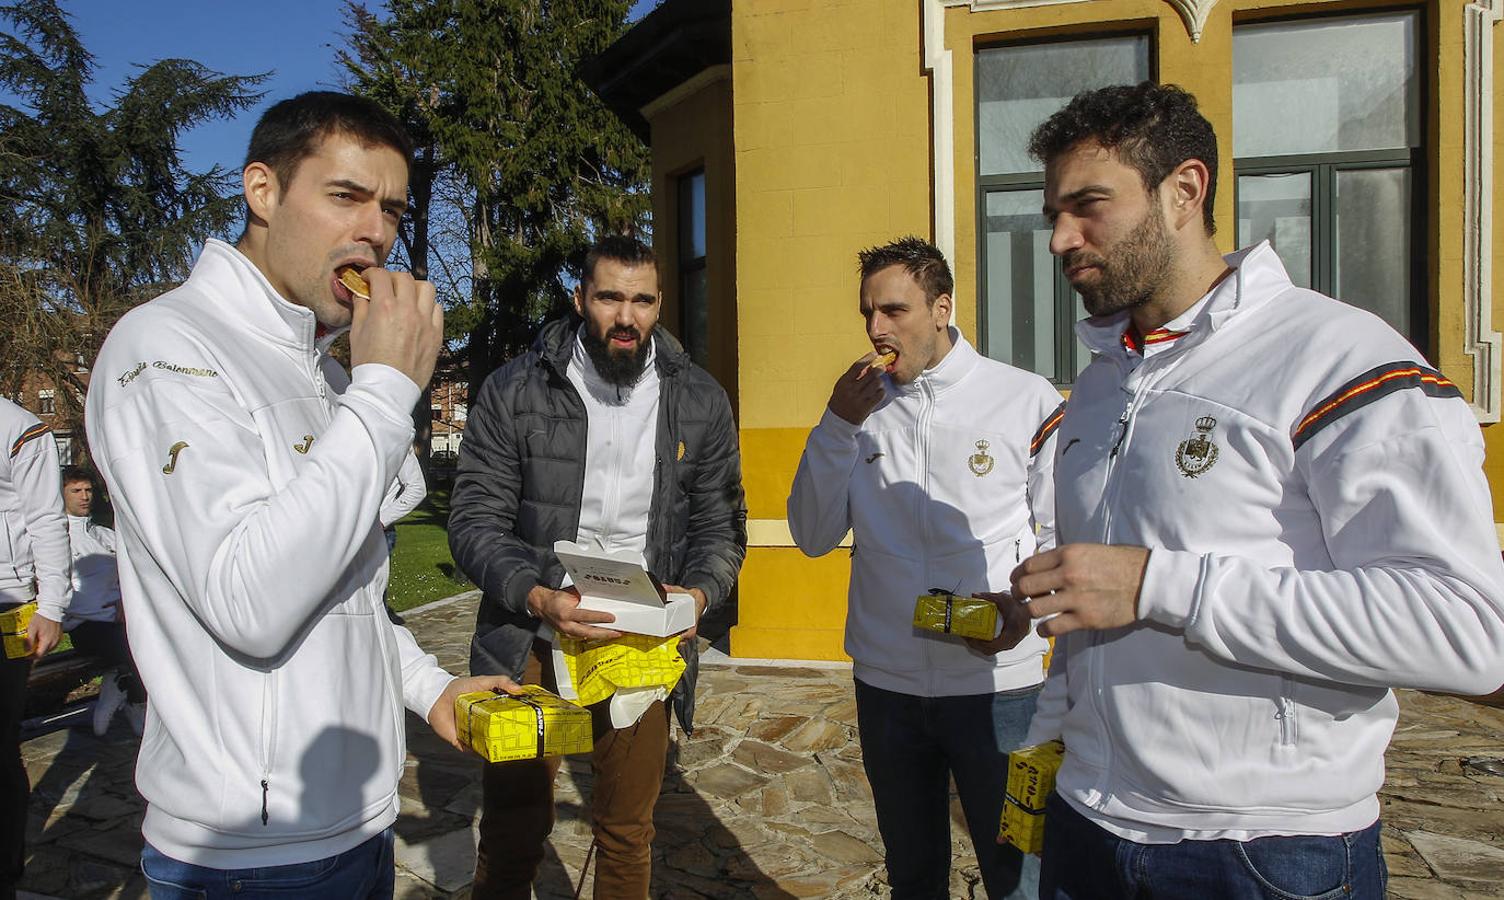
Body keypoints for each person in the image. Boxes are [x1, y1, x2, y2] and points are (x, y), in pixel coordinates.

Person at [1007, 82, 1504, 899]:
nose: (1061, 237)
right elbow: (1094, 608)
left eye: (1088, 205)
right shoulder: (1100, 383)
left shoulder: (1339, 359)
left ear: (1185, 191)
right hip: (1088, 824)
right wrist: (1051, 742)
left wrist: (1157, 583)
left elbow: (1465, 628)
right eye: (1054, 211)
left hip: (1263, 852)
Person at [84, 91, 514, 899]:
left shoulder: (323, 367)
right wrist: (386, 392)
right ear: (263, 191)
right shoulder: (167, 346)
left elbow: (345, 594)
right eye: (345, 196)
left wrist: (430, 688)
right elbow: (249, 601)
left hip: (356, 824)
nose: (375, 232)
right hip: (245, 853)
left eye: (390, 208)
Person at [448, 235, 747, 899]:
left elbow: (720, 528)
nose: (626, 316)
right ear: (580, 298)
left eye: (642, 300)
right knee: (514, 829)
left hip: (643, 639)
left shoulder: (699, 400)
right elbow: (472, 523)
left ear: (660, 305)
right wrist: (538, 596)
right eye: (610, 296)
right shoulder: (514, 391)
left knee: (626, 831)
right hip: (533, 632)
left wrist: (697, 597)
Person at [786, 236, 1061, 899]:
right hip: (888, 688)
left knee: (1020, 876)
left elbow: (1062, 534)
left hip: (1001, 689)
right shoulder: (858, 410)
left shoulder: (1024, 398)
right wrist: (834, 427)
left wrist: (1026, 614)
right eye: (867, 313)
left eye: (894, 310)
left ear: (941, 309)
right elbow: (812, 534)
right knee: (913, 877)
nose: (877, 329)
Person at [0, 398, 70, 900]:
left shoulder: (21, 429)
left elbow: (47, 518)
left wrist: (51, 606)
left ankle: (6, 869)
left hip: (7, 604)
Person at [58, 466, 146, 737]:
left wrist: (123, 600)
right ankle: (130, 696)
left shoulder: (105, 535)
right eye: (76, 491)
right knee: (135, 649)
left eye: (88, 489)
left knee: (157, 641)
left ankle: (125, 692)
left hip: (121, 618)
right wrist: (105, 609)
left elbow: (133, 575)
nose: (84, 496)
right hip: (88, 627)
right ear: (61, 495)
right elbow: (66, 596)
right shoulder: (59, 540)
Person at [379, 450, 426, 624]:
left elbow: (417, 488)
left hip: (378, 535)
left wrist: (382, 520)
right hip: (344, 530)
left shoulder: (397, 440)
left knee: (375, 597)